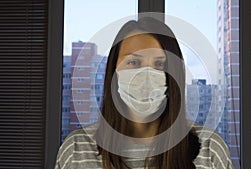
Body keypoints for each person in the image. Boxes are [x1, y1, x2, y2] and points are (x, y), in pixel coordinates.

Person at [55, 16, 234, 169]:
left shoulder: (209, 149)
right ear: (113, 72)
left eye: (159, 64)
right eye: (134, 63)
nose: (146, 76)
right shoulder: (76, 150)